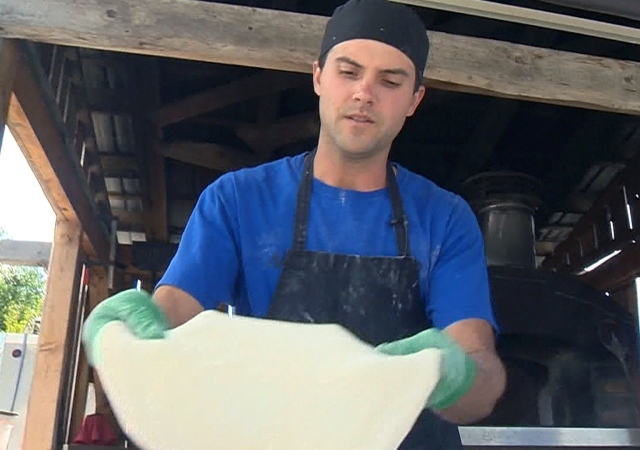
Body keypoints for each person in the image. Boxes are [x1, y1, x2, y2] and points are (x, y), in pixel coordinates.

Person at [82, 0, 507, 447]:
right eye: (349, 71)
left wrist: (457, 375)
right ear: (319, 76)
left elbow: (481, 373)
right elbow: (170, 316)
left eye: (390, 81)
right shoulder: (237, 201)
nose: (365, 93)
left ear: (414, 100)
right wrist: (131, 329)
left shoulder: (445, 219)